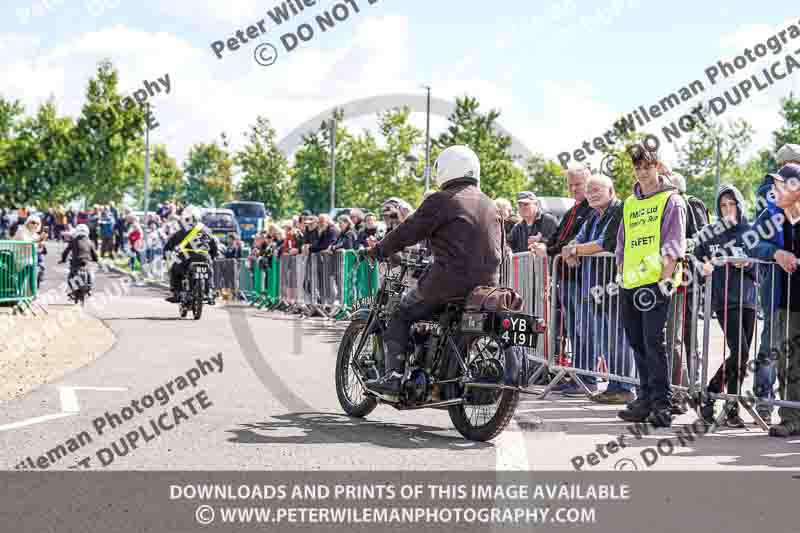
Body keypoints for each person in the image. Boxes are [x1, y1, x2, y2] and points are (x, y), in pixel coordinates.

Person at [363, 145, 502, 397]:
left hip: (448, 282)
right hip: (487, 286)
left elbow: (409, 231)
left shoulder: (441, 199)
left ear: (446, 169)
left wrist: (380, 250)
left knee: (400, 313)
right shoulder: (490, 204)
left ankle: (393, 378)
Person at [615, 144, 686, 427]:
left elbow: (673, 244)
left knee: (654, 343)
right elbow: (622, 242)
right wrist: (621, 273)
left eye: (648, 166)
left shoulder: (672, 200)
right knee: (636, 341)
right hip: (630, 283)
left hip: (657, 283)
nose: (642, 172)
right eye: (638, 167)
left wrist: (663, 281)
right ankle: (644, 398)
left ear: (658, 167)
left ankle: (662, 404)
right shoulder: (630, 203)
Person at [561, 174, 632, 402]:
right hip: (593, 288)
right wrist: (571, 249)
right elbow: (575, 241)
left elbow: (606, 244)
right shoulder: (593, 215)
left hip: (613, 286)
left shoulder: (619, 211)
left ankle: (623, 387)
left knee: (616, 338)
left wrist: (575, 251)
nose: (592, 193)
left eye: (597, 189)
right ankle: (614, 385)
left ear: (611, 191)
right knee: (605, 339)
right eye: (589, 190)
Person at [693, 185, 757, 428]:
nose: (728, 209)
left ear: (739, 206)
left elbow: (761, 268)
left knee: (741, 356)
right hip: (724, 299)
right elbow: (696, 260)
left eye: (732, 204)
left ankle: (731, 409)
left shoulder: (750, 231)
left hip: (748, 299)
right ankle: (710, 391)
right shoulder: (709, 233)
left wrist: (748, 265)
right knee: (739, 351)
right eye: (723, 205)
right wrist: (702, 267)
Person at [531, 166, 593, 390]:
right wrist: (545, 245)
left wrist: (547, 250)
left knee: (583, 329)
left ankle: (587, 377)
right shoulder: (572, 210)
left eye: (578, 184)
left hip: (581, 278)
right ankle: (578, 374)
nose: (574, 188)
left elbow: (572, 242)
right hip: (565, 277)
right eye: (571, 184)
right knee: (574, 330)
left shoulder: (591, 210)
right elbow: (558, 237)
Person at [751, 146, 800, 424]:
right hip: (778, 298)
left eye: (782, 183)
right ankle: (770, 405)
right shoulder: (772, 214)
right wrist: (775, 253)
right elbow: (751, 243)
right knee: (774, 352)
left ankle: (790, 414)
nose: (775, 188)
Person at [664, 171, 710, 414]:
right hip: (668, 280)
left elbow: (703, 236)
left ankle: (691, 391)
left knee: (684, 337)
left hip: (687, 281)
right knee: (674, 338)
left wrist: (680, 247)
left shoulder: (691, 203)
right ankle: (683, 391)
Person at [163, 206, 219, 303]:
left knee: (174, 270)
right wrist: (213, 257)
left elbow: (169, 245)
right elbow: (214, 246)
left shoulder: (183, 230)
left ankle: (177, 293)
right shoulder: (206, 230)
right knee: (209, 272)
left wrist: (166, 255)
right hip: (204, 256)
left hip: (187, 257)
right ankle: (209, 291)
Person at [59, 224, 98, 294]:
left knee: (70, 276)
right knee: (91, 273)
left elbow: (66, 251)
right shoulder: (90, 242)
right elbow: (94, 254)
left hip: (75, 263)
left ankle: (74, 289)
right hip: (86, 263)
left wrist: (63, 259)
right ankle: (90, 288)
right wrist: (96, 260)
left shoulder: (73, 241)